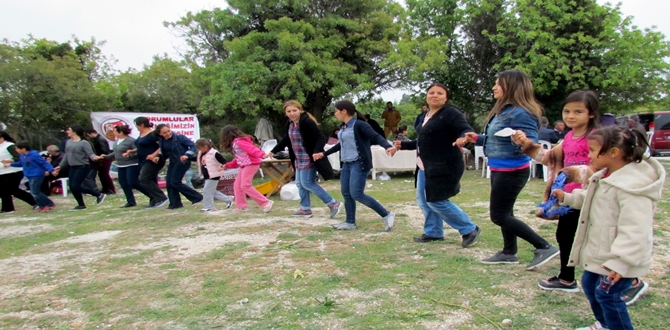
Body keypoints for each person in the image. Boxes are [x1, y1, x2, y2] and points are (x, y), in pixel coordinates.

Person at [554, 126, 665, 330]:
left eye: (593, 150)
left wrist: (621, 262)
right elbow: (592, 199)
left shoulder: (632, 189)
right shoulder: (606, 176)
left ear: (613, 153)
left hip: (619, 260)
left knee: (607, 295)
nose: (588, 155)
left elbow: (636, 230)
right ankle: (605, 324)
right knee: (589, 285)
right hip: (601, 255)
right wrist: (568, 197)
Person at [458, 69, 559, 270]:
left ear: (512, 86)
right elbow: (500, 139)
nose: (494, 87)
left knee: (499, 216)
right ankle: (509, 252)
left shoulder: (522, 113)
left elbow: (529, 143)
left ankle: (544, 246)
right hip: (498, 168)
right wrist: (477, 138)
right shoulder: (505, 111)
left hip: (512, 171)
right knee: (507, 212)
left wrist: (522, 141)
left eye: (498, 83)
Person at [512, 90, 600, 292]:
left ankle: (627, 279)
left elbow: (602, 167)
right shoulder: (568, 137)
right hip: (569, 198)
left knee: (598, 239)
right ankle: (567, 278)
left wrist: (573, 172)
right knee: (565, 236)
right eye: (567, 111)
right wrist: (525, 144)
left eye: (578, 112)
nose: (570, 116)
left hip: (592, 197)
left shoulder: (597, 137)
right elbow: (549, 157)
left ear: (591, 114)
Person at [395, 83, 481, 247]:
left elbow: (464, 129)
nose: (435, 95)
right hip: (425, 166)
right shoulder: (426, 115)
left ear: (446, 97)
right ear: (426, 96)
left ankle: (469, 229)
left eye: (440, 93)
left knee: (436, 201)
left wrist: (463, 137)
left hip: (445, 165)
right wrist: (403, 145)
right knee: (424, 200)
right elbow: (423, 140)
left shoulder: (451, 113)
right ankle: (433, 232)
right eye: (431, 92)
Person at [313, 100, 397, 231]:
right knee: (346, 193)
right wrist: (324, 154)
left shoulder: (360, 125)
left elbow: (375, 136)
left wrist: (387, 146)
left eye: (336, 111)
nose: (335, 114)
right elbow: (341, 144)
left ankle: (387, 214)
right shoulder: (343, 127)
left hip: (359, 163)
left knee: (357, 193)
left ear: (344, 111)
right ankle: (350, 222)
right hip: (346, 164)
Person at [267, 100, 342, 219]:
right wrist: (273, 151)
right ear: (286, 113)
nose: (292, 113)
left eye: (294, 110)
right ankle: (305, 209)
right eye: (289, 111)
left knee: (307, 183)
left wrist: (317, 151)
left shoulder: (306, 122)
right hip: (297, 157)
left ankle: (333, 203)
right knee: (299, 184)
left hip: (308, 157)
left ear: (300, 110)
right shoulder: (290, 123)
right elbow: (287, 139)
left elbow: (320, 138)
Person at [219, 125, 274, 213]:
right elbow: (238, 159)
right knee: (237, 186)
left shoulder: (239, 142)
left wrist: (262, 154)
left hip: (251, 164)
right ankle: (241, 206)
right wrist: (227, 166)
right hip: (244, 165)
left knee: (245, 185)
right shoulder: (235, 144)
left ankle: (265, 202)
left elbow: (252, 149)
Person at [148, 124, 203, 210]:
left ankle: (197, 197)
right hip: (173, 162)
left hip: (182, 161)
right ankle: (175, 204)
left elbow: (193, 146)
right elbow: (164, 152)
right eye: (165, 133)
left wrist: (187, 155)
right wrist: (158, 156)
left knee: (175, 182)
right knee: (169, 183)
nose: (168, 133)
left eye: (168, 131)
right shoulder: (162, 140)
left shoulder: (179, 137)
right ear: (160, 134)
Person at [97, 125, 151, 208]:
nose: (113, 133)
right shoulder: (117, 140)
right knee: (123, 183)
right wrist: (106, 157)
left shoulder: (131, 141)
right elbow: (116, 152)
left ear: (121, 132)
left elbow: (139, 152)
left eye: (115, 131)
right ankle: (130, 201)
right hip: (121, 165)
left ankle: (153, 195)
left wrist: (130, 155)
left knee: (133, 182)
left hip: (132, 164)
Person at [55, 125, 106, 210]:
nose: (67, 131)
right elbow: (67, 156)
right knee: (72, 187)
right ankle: (81, 205)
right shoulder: (68, 142)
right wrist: (60, 166)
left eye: (69, 130)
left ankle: (98, 194)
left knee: (75, 186)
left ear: (74, 131)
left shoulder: (84, 143)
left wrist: (95, 157)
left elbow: (90, 154)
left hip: (82, 167)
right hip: (72, 167)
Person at [3, 141, 57, 212]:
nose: (16, 150)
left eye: (17, 149)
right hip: (29, 175)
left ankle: (48, 204)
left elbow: (43, 163)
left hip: (37, 175)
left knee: (34, 192)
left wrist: (52, 170)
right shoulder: (22, 156)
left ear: (23, 149)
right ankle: (43, 205)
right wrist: (10, 164)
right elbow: (21, 163)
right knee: (35, 192)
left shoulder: (34, 155)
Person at [133, 117, 168, 208]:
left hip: (154, 160)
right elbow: (142, 146)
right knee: (152, 179)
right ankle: (154, 201)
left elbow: (162, 145)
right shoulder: (141, 134)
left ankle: (161, 197)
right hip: (143, 160)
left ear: (142, 125)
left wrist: (154, 155)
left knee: (144, 178)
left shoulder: (153, 134)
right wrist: (132, 151)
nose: (136, 127)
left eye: (137, 125)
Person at [0, 131, 36, 214]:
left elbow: (19, 157)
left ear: (1, 138)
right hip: (2, 171)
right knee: (3, 190)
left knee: (13, 189)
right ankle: (7, 208)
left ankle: (35, 201)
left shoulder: (9, 146)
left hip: (13, 171)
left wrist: (9, 161)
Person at [195, 138, 233, 213]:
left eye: (199, 148)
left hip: (214, 175)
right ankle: (228, 199)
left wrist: (223, 167)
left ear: (205, 146)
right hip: (207, 175)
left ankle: (209, 207)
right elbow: (196, 159)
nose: (199, 150)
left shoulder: (214, 153)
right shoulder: (202, 153)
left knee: (207, 191)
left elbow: (224, 161)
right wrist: (187, 158)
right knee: (211, 190)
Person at [85, 129, 116, 194]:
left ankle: (110, 189)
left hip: (104, 159)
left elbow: (104, 149)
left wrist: (98, 155)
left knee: (104, 174)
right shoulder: (98, 139)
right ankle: (106, 188)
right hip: (103, 158)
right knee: (102, 175)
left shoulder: (100, 139)